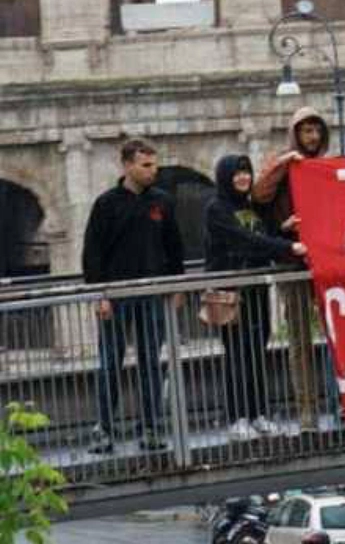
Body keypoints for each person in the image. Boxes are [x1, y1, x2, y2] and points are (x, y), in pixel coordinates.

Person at [83, 139, 185, 454]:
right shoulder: (106, 204)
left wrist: (176, 286)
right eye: (145, 165)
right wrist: (99, 294)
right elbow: (92, 254)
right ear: (127, 165)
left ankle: (151, 427)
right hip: (115, 296)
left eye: (154, 165)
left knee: (150, 363)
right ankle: (104, 427)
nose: (152, 171)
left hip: (153, 296)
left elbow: (174, 248)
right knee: (110, 362)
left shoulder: (163, 202)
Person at [204, 155, 307, 441]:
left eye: (246, 172)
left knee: (257, 353)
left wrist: (281, 230)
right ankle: (237, 417)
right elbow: (245, 241)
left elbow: (260, 236)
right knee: (236, 354)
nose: (243, 178)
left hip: (257, 288)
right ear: (225, 177)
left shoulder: (250, 207)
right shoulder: (217, 208)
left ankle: (259, 413)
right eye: (237, 173)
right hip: (230, 292)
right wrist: (288, 247)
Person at [251, 106, 330, 432]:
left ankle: (342, 405)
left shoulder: (324, 166)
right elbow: (259, 194)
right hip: (291, 263)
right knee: (299, 342)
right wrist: (286, 164)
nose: (311, 137)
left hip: (325, 263)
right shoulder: (282, 168)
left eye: (316, 131)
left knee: (337, 336)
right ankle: (307, 414)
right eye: (305, 131)